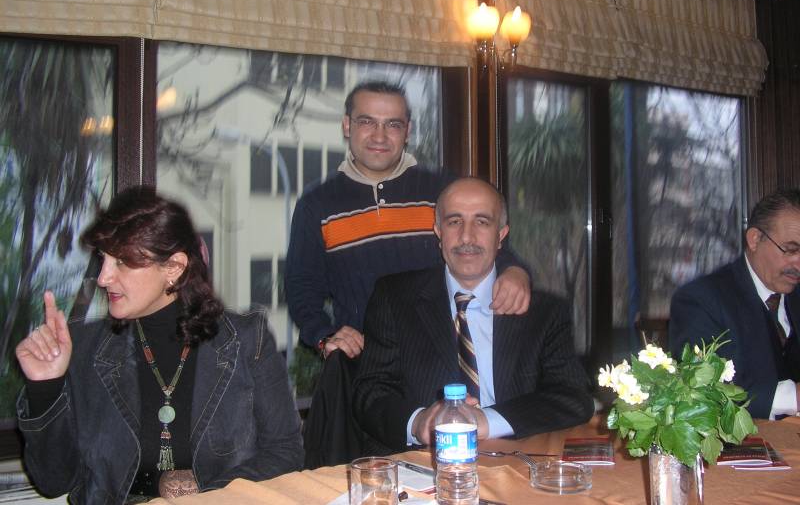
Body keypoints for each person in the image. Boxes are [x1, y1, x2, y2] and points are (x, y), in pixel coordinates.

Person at [16, 187, 304, 504]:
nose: (103, 277)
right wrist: (45, 388)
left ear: (174, 268)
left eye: (122, 261)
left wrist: (204, 495)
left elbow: (285, 453)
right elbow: (54, 482)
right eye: (103, 258)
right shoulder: (85, 348)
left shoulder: (246, 341)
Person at [285, 80, 531, 359]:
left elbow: (489, 241)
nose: (379, 136)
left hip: (445, 359)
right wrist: (324, 336)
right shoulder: (316, 204)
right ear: (346, 126)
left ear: (408, 131)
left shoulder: (442, 189)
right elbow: (301, 288)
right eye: (367, 122)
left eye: (393, 124)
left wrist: (515, 271)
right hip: (365, 365)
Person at [351, 177, 594, 451]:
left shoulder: (544, 312)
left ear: (501, 235)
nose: (467, 237)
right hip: (423, 464)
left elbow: (574, 397)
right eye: (454, 221)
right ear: (438, 232)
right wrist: (419, 423)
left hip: (516, 462)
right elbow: (370, 394)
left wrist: (486, 421)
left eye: (482, 222)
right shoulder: (394, 298)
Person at [670, 188, 800, 419]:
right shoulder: (700, 300)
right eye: (790, 250)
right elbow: (706, 392)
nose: (798, 265)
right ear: (755, 239)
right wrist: (794, 398)